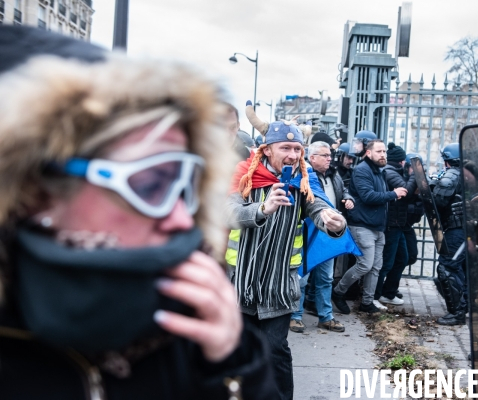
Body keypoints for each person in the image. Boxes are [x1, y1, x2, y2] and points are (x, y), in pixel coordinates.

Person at [0, 26, 276, 399]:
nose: (181, 221)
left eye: (185, 187)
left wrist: (232, 368)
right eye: (149, 185)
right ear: (35, 191)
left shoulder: (187, 319)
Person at [226, 115, 347, 399]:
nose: (293, 155)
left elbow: (318, 208)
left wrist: (334, 222)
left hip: (279, 286)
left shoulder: (304, 179)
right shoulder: (244, 174)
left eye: (297, 150)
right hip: (241, 283)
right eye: (285, 149)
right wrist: (262, 209)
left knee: (275, 350)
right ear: (267, 149)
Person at [331, 138, 407, 314]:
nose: (383, 155)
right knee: (365, 265)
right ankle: (338, 292)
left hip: (377, 226)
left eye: (384, 152)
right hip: (362, 225)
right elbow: (368, 196)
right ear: (368, 153)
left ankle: (367, 302)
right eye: (379, 151)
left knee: (376, 267)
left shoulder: (379, 171)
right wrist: (393, 194)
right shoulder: (362, 170)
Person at [289, 141, 355, 333]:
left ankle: (326, 317)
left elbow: (343, 192)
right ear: (312, 157)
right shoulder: (302, 175)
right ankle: (295, 315)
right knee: (302, 277)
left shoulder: (334, 175)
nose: (329, 159)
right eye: (325, 155)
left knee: (325, 278)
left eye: (330, 155)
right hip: (308, 233)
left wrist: (349, 198)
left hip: (328, 234)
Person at [374, 143, 416, 308]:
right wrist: (414, 175)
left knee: (402, 259)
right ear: (401, 161)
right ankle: (375, 296)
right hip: (391, 224)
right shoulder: (390, 172)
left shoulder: (394, 171)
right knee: (386, 263)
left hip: (397, 224)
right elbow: (406, 190)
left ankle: (388, 293)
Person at [432, 143, 467, 326]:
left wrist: (432, 187)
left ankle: (457, 313)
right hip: (466, 230)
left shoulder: (453, 172)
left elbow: (439, 197)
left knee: (447, 268)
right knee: (462, 271)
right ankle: (463, 307)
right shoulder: (469, 173)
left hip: (457, 230)